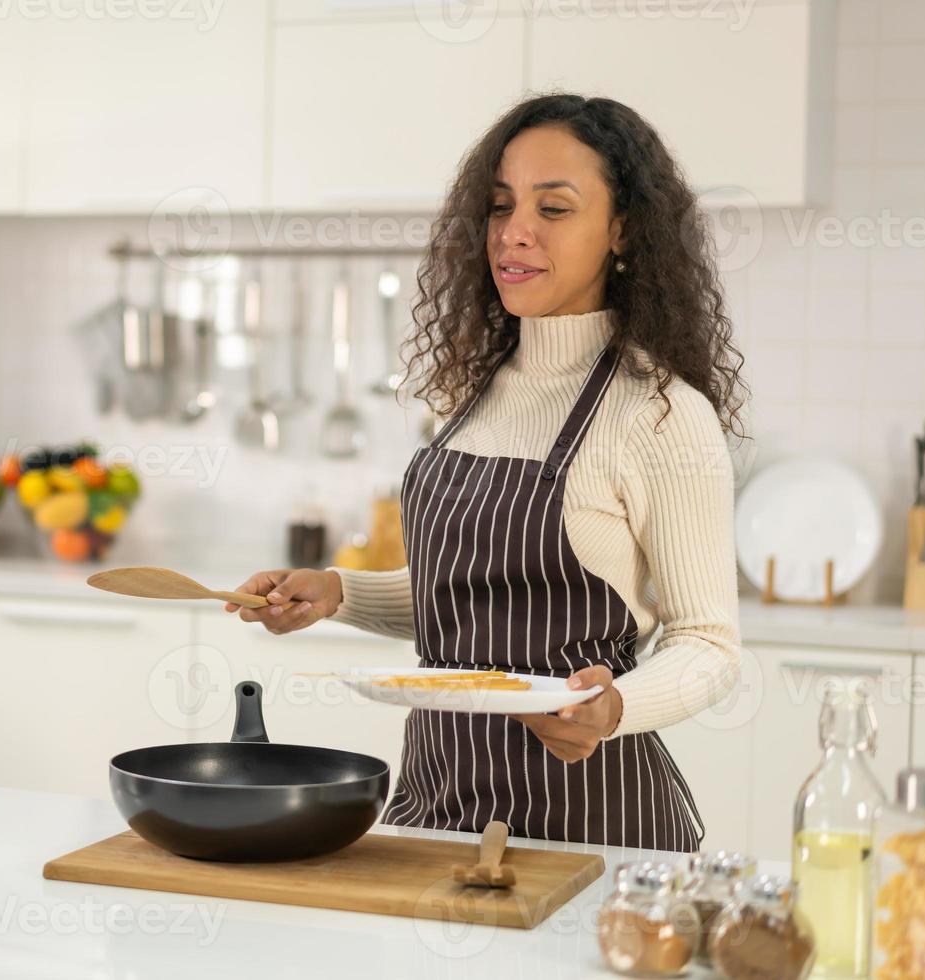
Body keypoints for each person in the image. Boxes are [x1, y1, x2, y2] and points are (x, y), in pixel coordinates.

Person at [225, 94, 746, 852]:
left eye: (555, 208)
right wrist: (339, 593)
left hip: (589, 826)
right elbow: (474, 596)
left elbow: (708, 643)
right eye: (500, 206)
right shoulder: (473, 391)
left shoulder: (660, 413)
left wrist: (614, 709)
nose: (515, 232)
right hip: (434, 809)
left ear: (623, 230)